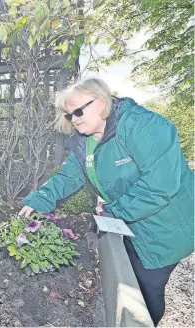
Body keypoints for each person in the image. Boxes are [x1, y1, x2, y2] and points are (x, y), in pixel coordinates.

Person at [19, 78, 194, 326]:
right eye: (69, 115)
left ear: (101, 101)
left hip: (169, 226)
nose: (74, 118)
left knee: (148, 290)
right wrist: (40, 200)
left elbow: (161, 185)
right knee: (134, 274)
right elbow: (68, 176)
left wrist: (114, 209)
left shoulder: (142, 125)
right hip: (134, 225)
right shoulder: (86, 140)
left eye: (79, 111)